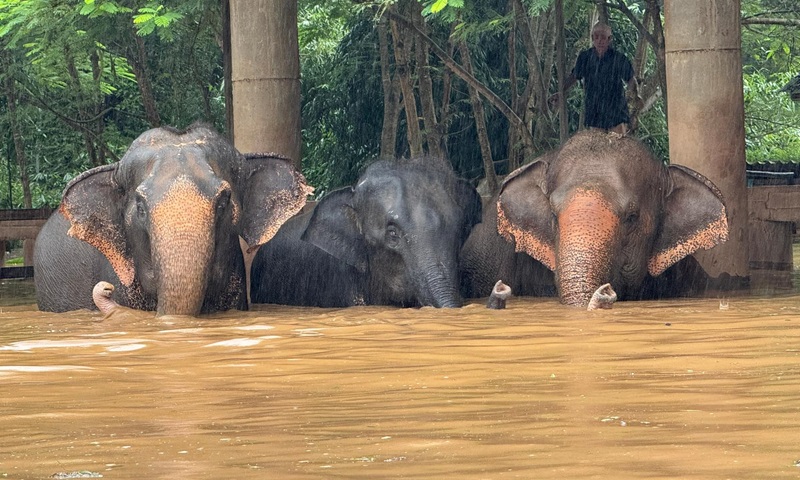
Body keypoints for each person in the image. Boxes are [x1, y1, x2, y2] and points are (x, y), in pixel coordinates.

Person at [550, 22, 640, 135]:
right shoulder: (585, 57)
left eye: (603, 37)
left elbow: (631, 79)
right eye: (596, 37)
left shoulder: (619, 58)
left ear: (609, 39)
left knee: (618, 145)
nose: (599, 40)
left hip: (616, 110)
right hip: (594, 110)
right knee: (597, 147)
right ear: (592, 38)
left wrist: (635, 97)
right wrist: (561, 92)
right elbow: (574, 76)